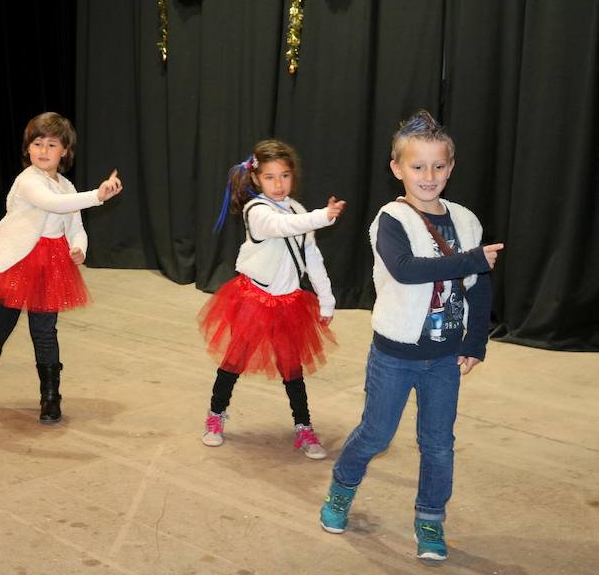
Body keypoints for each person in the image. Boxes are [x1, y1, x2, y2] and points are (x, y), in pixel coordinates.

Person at [319, 110, 504, 561]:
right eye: (417, 166)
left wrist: (474, 341)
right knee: (376, 435)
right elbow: (406, 271)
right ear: (397, 169)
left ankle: (430, 519)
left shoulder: (465, 221)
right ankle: (342, 487)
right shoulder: (390, 219)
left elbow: (480, 288)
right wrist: (472, 259)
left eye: (438, 165)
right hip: (394, 355)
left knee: (439, 444)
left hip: (444, 358)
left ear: (451, 168)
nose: (429, 175)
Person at [0, 112, 122, 424]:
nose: (43, 150)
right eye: (37, 143)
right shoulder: (27, 181)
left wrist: (79, 248)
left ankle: (50, 396)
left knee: (45, 330)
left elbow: (75, 225)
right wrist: (97, 196)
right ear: (28, 148)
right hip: (16, 260)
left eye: (52, 145)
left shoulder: (66, 185)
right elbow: (52, 204)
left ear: (64, 151)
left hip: (51, 263)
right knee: (3, 322)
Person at [198, 139, 346, 458]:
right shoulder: (257, 212)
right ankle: (215, 415)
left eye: (285, 176)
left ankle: (303, 427)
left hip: (289, 303)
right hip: (255, 299)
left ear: (293, 176)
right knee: (233, 362)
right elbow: (283, 226)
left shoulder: (298, 210)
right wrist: (324, 215)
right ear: (256, 179)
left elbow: (312, 255)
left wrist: (327, 299)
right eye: (270, 177)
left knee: (292, 368)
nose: (278, 185)